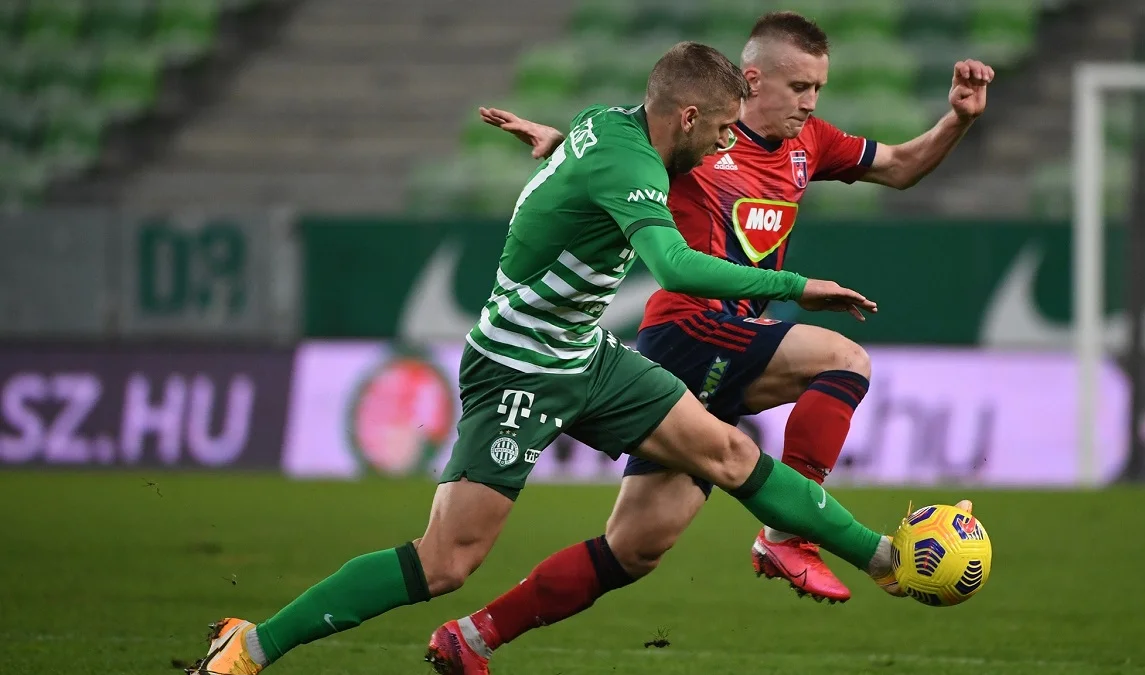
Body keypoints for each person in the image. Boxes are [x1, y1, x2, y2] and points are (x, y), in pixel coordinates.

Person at [184, 41, 905, 675]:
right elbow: (674, 266)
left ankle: (883, 559)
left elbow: (595, 169)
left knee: (727, 451)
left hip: (584, 354)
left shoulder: (609, 123)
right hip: (518, 366)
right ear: (687, 118)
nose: (725, 147)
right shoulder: (633, 166)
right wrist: (795, 286)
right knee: (446, 562)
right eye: (720, 131)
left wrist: (556, 148)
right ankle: (254, 644)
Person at [432, 10, 993, 673]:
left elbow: (898, 166)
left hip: (732, 345)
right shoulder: (701, 138)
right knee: (844, 360)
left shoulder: (811, 143)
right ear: (753, 80)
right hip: (688, 330)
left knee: (633, 549)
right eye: (800, 87)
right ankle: (789, 533)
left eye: (819, 88)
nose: (811, 102)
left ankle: (474, 636)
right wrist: (563, 144)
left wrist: (957, 119)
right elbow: (624, 157)